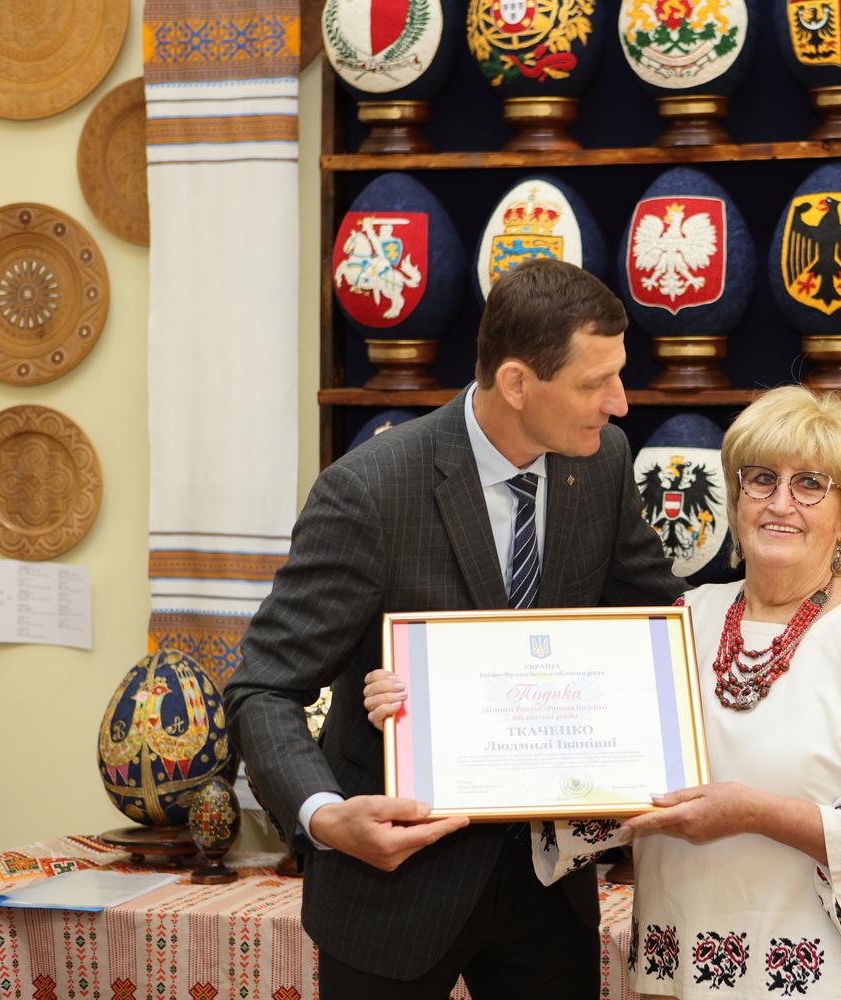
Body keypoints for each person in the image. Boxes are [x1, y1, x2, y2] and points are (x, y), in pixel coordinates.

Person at [365, 385, 841, 999]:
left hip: (816, 980)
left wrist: (754, 813)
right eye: (761, 479)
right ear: (735, 497)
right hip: (675, 970)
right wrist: (431, 706)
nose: (780, 502)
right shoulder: (678, 622)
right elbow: (567, 747)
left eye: (811, 484)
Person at [224, 257, 682, 999]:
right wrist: (327, 817)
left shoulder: (601, 465)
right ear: (517, 383)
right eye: (594, 383)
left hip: (548, 893)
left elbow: (656, 621)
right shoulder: (369, 491)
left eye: (618, 376)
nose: (620, 403)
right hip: (393, 890)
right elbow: (263, 688)